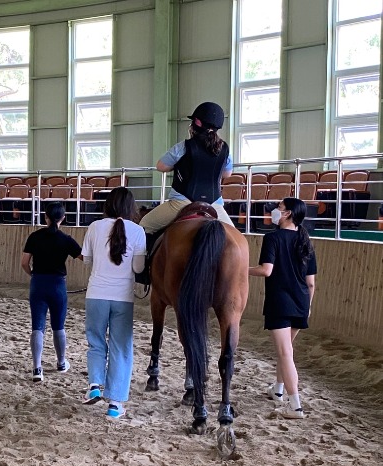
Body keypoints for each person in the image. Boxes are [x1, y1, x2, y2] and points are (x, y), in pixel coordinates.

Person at [81, 187, 146, 420]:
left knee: (96, 343)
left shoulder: (94, 227)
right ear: (131, 207)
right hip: (122, 298)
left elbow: (86, 260)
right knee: (121, 348)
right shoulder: (138, 231)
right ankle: (115, 404)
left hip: (96, 295)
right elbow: (138, 268)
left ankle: (95, 385)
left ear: (107, 205)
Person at [249, 197, 316, 419]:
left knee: (285, 353)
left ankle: (295, 405)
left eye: (279, 208)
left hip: (280, 302)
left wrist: (241, 269)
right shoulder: (306, 240)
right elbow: (311, 282)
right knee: (286, 350)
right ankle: (277, 389)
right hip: (301, 302)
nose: (275, 212)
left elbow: (266, 270)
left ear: (287, 214)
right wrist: (308, 307)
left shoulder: (273, 238)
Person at [140, 101, 234, 236]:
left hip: (182, 202)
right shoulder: (225, 149)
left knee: (144, 225)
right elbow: (227, 173)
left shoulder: (183, 147)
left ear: (197, 122)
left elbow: (161, 166)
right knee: (235, 237)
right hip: (214, 204)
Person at [21, 202, 82, 382]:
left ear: (45, 217)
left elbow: (24, 263)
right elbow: (83, 257)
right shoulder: (66, 239)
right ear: (63, 218)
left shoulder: (34, 237)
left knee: (37, 326)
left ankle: (37, 368)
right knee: (58, 326)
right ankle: (61, 362)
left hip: (38, 283)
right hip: (57, 285)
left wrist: (32, 274)